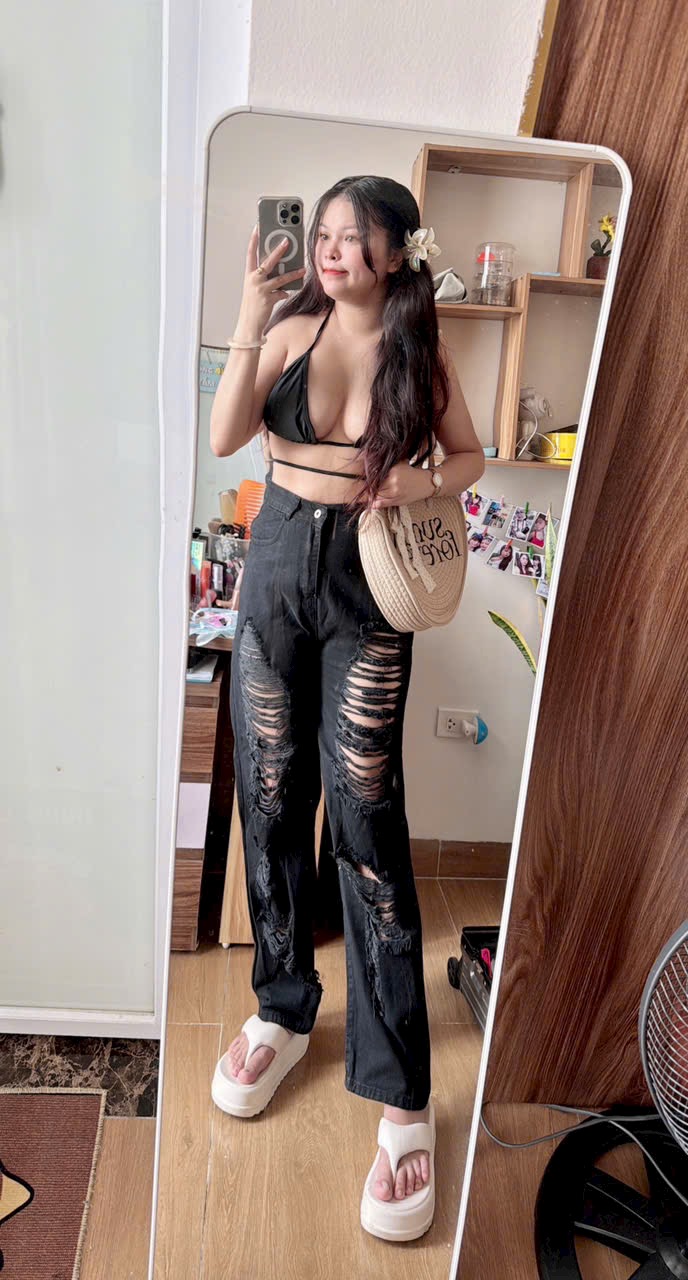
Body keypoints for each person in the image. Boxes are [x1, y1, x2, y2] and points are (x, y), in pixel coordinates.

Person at [208, 175, 484, 1239]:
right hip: (276, 570)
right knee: (272, 799)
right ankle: (281, 1006)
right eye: (321, 233)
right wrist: (248, 310)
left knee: (368, 824)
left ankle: (401, 1093)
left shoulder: (419, 348)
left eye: (352, 237)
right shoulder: (286, 328)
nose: (330, 250)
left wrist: (422, 483)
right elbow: (228, 435)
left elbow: (469, 456)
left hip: (368, 591)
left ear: (396, 251)